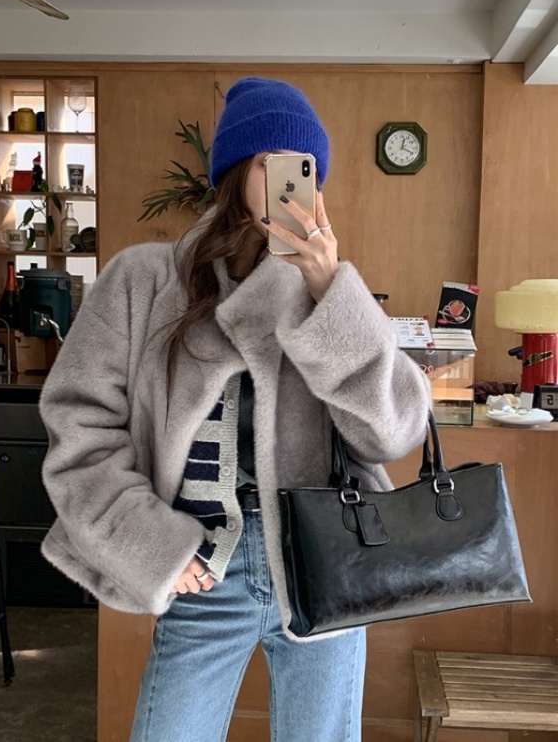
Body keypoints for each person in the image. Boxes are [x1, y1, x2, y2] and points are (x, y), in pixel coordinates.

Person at [39, 77, 430, 742]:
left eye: (303, 167)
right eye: (270, 162)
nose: (289, 181)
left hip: (322, 566)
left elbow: (393, 432)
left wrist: (331, 291)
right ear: (232, 171)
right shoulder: (143, 281)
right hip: (202, 563)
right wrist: (153, 545)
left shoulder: (325, 292)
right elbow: (80, 428)